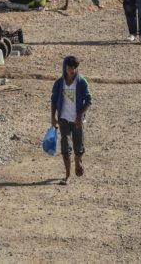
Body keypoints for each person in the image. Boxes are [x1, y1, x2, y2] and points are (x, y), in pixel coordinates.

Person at [50, 55, 92, 185]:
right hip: (63, 119)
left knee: (78, 145)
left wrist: (79, 116)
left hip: (77, 120)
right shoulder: (59, 83)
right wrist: (53, 116)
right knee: (65, 146)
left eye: (74, 68)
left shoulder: (81, 82)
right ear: (65, 68)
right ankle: (68, 175)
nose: (72, 70)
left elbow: (89, 101)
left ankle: (78, 160)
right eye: (70, 67)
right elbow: (53, 100)